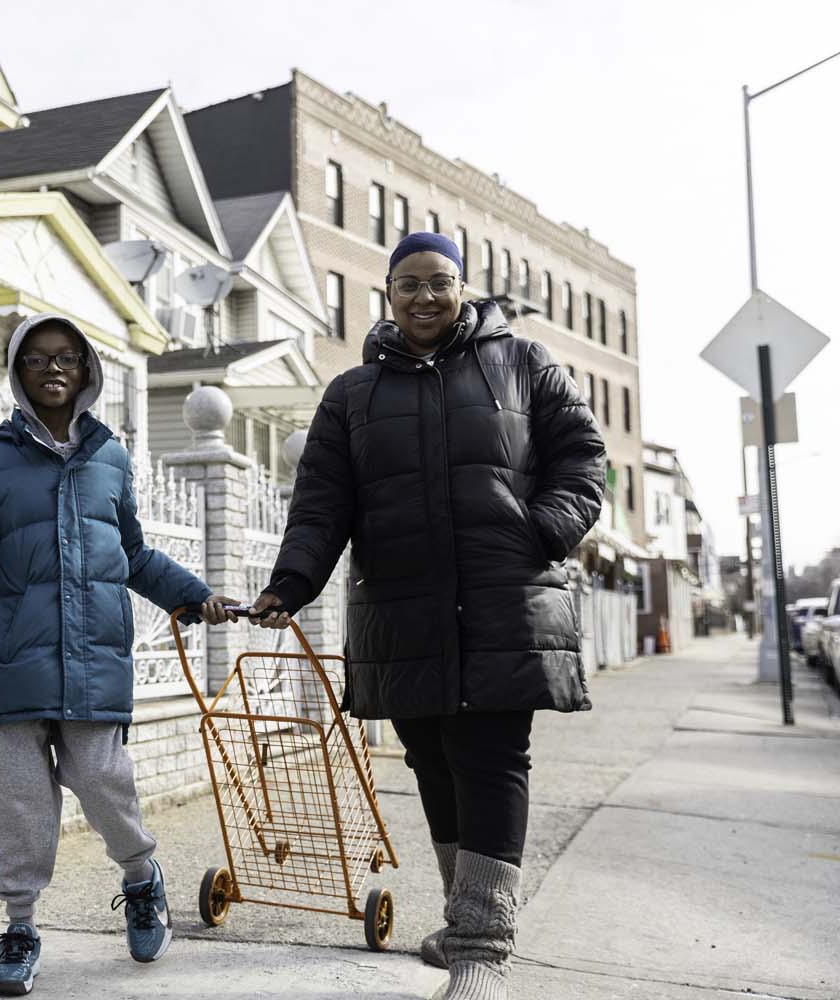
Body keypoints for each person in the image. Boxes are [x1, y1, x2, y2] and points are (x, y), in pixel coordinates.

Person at [245, 232, 604, 1000]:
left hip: (502, 598)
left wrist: (539, 528)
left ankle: (482, 947)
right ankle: (461, 921)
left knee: (490, 757)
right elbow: (321, 503)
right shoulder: (351, 394)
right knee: (433, 759)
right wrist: (291, 583)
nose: (424, 297)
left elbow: (582, 457)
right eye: (407, 284)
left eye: (439, 282)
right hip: (400, 609)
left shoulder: (526, 364)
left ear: (465, 289)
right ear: (388, 295)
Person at [0, 313, 236, 996]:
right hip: (15, 668)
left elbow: (130, 555)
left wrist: (191, 595)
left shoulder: (110, 459)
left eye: (66, 357)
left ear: (87, 368)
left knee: (103, 782)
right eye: (36, 359)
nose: (53, 369)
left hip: (95, 664)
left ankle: (140, 878)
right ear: (18, 372)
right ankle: (20, 930)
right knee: (19, 805)